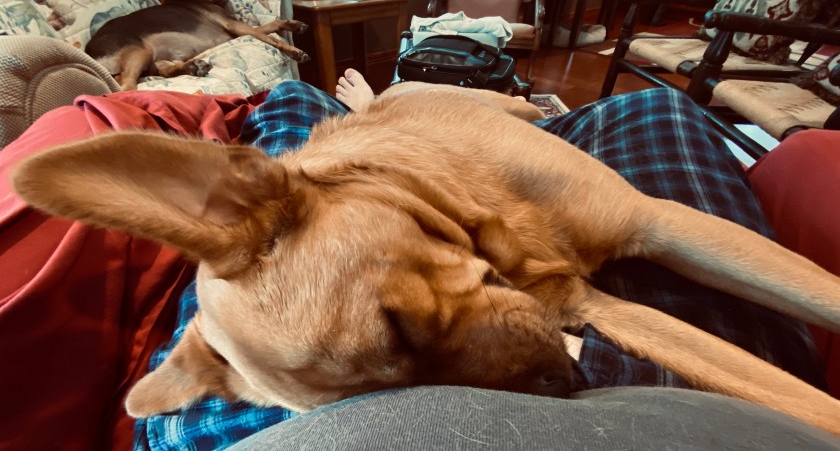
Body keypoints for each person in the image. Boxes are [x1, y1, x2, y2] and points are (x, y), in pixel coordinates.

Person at [129, 70, 837, 450]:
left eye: (404, 323)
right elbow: (594, 308)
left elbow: (655, 226)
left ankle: (464, 97)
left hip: (417, 135)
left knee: (377, 97)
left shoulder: (274, 212)